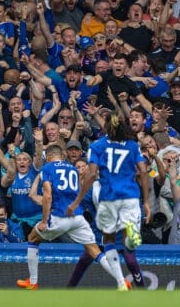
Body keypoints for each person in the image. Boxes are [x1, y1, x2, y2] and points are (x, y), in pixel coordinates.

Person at [16, 145, 129, 290]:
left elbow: (48, 196)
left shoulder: (47, 168)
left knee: (32, 238)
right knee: (94, 250)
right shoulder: (73, 169)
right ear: (61, 156)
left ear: (48, 157)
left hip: (59, 216)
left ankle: (32, 282)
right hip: (77, 217)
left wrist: (44, 221)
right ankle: (122, 282)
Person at [67, 113, 151, 289]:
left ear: (105, 127)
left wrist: (75, 202)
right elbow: (143, 172)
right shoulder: (132, 146)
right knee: (129, 255)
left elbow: (90, 175)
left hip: (109, 200)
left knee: (103, 246)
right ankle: (143, 293)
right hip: (130, 199)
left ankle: (119, 282)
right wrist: (146, 202)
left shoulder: (97, 146)